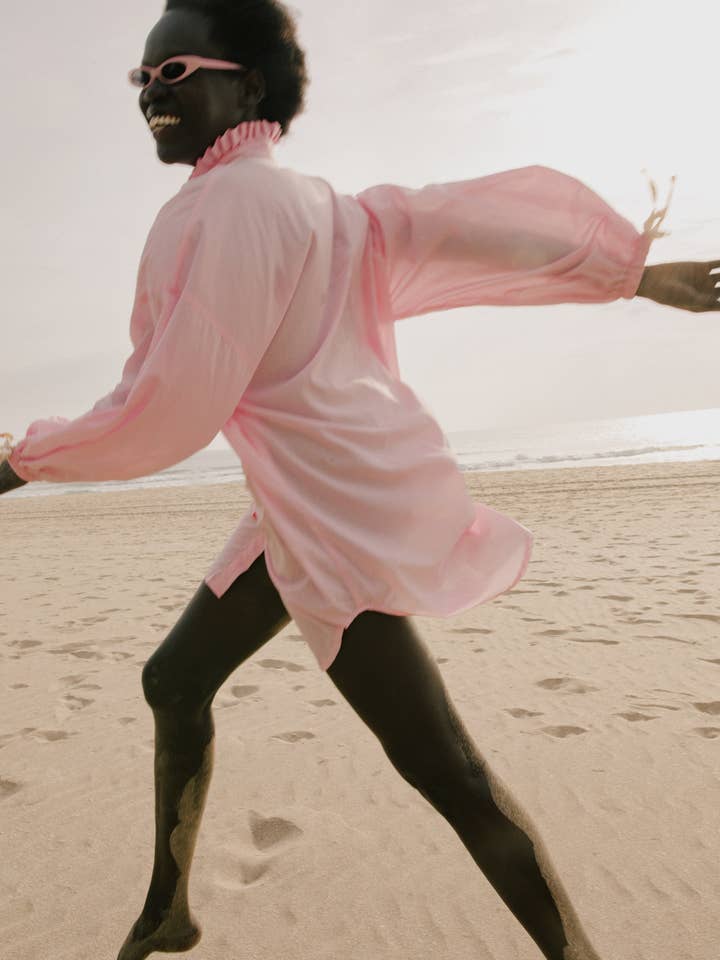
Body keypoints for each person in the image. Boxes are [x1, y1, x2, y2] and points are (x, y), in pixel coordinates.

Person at [2, 2, 719, 958]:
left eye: (172, 73)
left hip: (336, 524)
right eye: (141, 80)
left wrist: (18, 463)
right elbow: (466, 227)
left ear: (247, 84)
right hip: (299, 510)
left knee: (449, 774)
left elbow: (165, 406)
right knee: (174, 679)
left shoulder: (228, 210)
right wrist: (625, 274)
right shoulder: (331, 208)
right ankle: (168, 911)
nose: (150, 97)